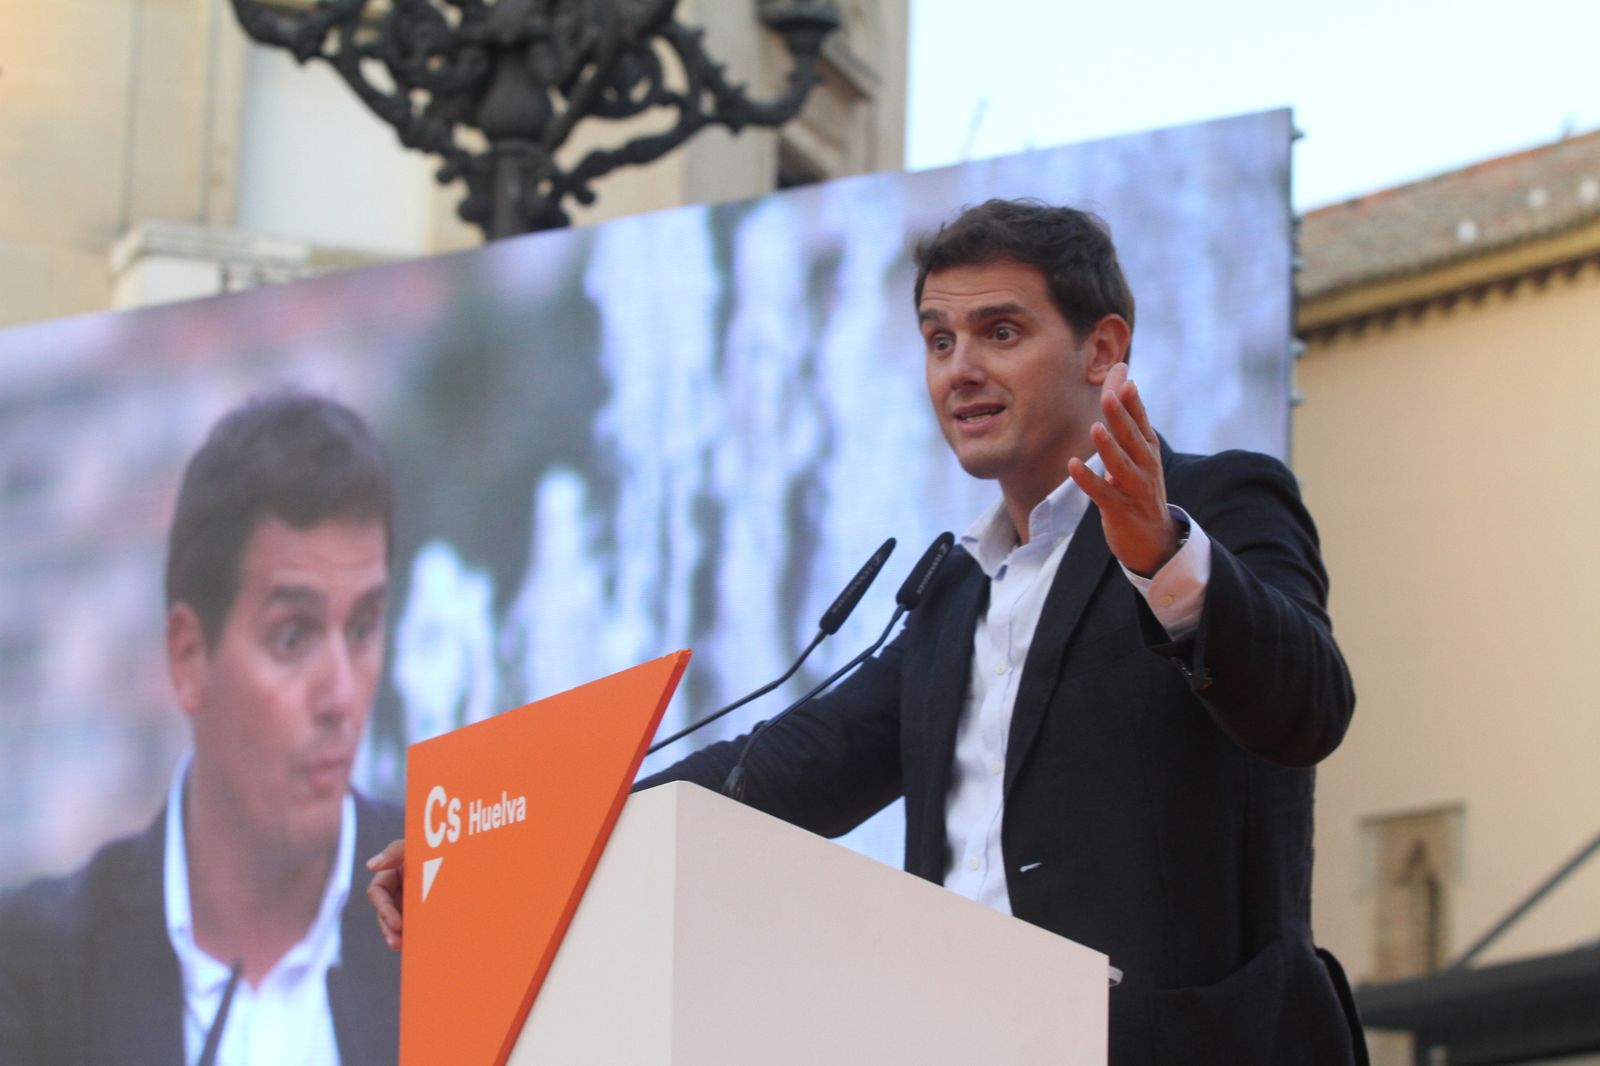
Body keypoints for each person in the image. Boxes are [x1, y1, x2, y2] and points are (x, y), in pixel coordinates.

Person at [368, 199, 1366, 1064]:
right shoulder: (949, 598)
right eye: (938, 340)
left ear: (1103, 349)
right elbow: (776, 772)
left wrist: (1161, 555)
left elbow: (1307, 707)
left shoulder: (1219, 502)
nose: (959, 370)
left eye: (1000, 331)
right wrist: (506, 852)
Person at [0, 390, 403, 1065]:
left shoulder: (458, 908)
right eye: (293, 637)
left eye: (362, 628)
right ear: (189, 658)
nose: (341, 694)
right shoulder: (40, 968)